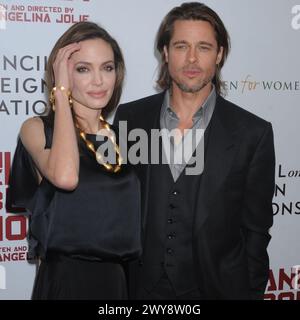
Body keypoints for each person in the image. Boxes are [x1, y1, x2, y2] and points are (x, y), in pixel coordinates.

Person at [114, 2, 275, 300]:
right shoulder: (131, 118)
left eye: (203, 47)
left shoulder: (253, 133)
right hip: (140, 290)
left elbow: (256, 231)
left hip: (217, 289)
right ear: (165, 53)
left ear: (220, 54)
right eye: (180, 46)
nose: (191, 58)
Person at [6, 21, 141, 300]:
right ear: (62, 74)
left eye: (107, 67)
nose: (99, 80)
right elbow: (66, 177)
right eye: (83, 69)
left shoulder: (121, 137)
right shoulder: (37, 129)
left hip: (118, 282)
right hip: (66, 283)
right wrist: (62, 94)